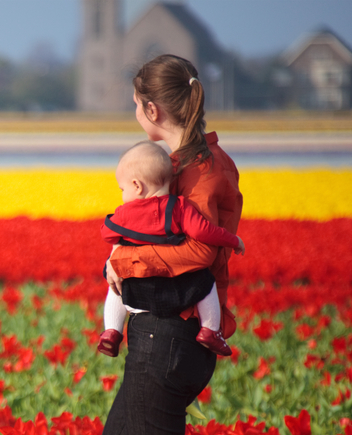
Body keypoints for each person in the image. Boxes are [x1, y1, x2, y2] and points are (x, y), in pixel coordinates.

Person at [94, 54, 243, 435]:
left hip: (171, 335)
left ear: (152, 110)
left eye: (135, 105)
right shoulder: (183, 167)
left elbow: (200, 253)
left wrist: (123, 261)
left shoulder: (200, 172)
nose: (135, 113)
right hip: (162, 335)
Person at [98, 140, 245, 359]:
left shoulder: (123, 213)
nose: (122, 194)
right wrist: (233, 240)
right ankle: (210, 330)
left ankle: (112, 330)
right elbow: (205, 232)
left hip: (137, 293)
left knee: (116, 282)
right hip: (176, 290)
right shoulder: (180, 207)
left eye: (122, 188)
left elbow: (106, 233)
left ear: (137, 186)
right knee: (206, 282)